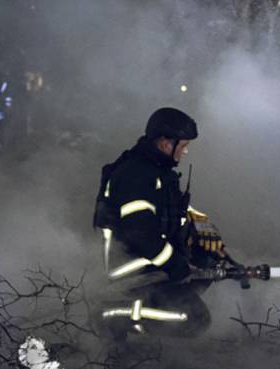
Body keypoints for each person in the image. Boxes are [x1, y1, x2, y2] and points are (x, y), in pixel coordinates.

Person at [93, 107, 229, 337]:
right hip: (128, 273)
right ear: (166, 142)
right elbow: (139, 233)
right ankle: (112, 315)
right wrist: (175, 265)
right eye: (183, 146)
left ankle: (155, 315)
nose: (184, 152)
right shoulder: (135, 175)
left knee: (205, 259)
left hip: (150, 265)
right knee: (193, 319)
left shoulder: (158, 172)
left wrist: (201, 226)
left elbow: (166, 211)